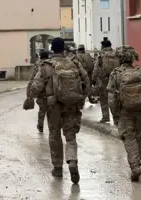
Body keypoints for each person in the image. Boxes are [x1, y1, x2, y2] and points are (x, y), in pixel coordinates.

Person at [24, 37, 90, 184]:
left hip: (53, 106)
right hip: (72, 104)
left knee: (54, 135)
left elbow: (36, 86)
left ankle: (58, 168)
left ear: (52, 49)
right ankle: (72, 160)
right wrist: (81, 97)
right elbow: (86, 81)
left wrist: (30, 97)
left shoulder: (46, 66)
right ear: (64, 49)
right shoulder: (74, 63)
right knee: (70, 135)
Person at [107, 45, 141, 182]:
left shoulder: (115, 74)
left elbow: (111, 98)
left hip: (124, 111)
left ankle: (134, 166)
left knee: (128, 137)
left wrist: (115, 115)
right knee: (137, 134)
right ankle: (137, 161)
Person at [92, 39, 119, 123]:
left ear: (103, 46)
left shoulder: (101, 55)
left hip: (104, 79)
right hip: (116, 79)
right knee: (116, 98)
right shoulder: (116, 53)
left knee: (104, 98)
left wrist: (93, 79)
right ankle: (116, 119)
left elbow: (96, 68)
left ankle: (105, 117)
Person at [26, 50, 50, 133]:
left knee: (42, 109)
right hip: (50, 91)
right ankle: (52, 128)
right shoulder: (50, 64)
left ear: (40, 56)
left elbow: (32, 78)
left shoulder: (37, 64)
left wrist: (29, 94)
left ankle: (40, 125)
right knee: (51, 110)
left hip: (40, 91)